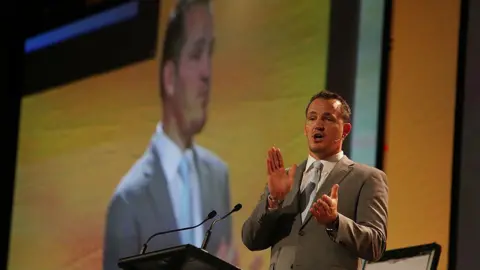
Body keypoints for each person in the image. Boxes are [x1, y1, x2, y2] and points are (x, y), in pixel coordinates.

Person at [103, 1, 235, 269]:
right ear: (170, 77)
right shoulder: (128, 202)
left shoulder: (218, 178)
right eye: (197, 54)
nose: (207, 72)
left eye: (210, 53)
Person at [241, 90, 389, 270]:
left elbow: (376, 245)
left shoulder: (367, 178)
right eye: (312, 118)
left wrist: (335, 221)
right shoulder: (284, 178)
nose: (318, 125)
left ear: (346, 130)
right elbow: (251, 240)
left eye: (328, 119)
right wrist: (274, 201)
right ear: (305, 129)